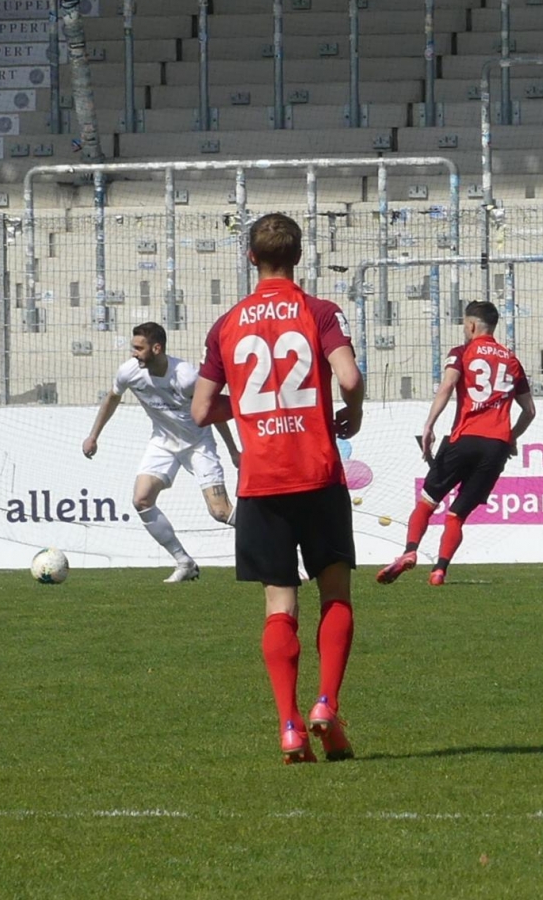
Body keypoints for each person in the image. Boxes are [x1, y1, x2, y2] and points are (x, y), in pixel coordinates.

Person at [190, 213, 364, 765]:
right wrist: (353, 412)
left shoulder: (227, 324)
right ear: (299, 255)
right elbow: (349, 378)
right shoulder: (319, 311)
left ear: (250, 258)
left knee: (279, 602)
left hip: (262, 481)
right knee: (334, 592)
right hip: (316, 472)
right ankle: (326, 704)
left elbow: (201, 410)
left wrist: (245, 403)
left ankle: (289, 727)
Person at [377, 301, 536, 587]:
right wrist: (511, 437)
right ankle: (439, 571)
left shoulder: (462, 352)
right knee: (456, 515)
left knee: (427, 502)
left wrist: (429, 425)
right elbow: (530, 411)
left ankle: (410, 550)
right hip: (496, 447)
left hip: (464, 438)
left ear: (472, 325)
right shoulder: (512, 360)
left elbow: (448, 385)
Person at [82, 321, 239, 582]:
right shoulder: (129, 372)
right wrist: (93, 436)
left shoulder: (186, 376)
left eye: (139, 348)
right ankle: (184, 562)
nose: (134, 353)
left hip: (198, 443)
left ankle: (282, 543)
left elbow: (212, 410)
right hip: (163, 442)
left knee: (220, 512)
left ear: (157, 348)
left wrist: (233, 450)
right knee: (141, 499)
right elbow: (112, 398)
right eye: (133, 347)